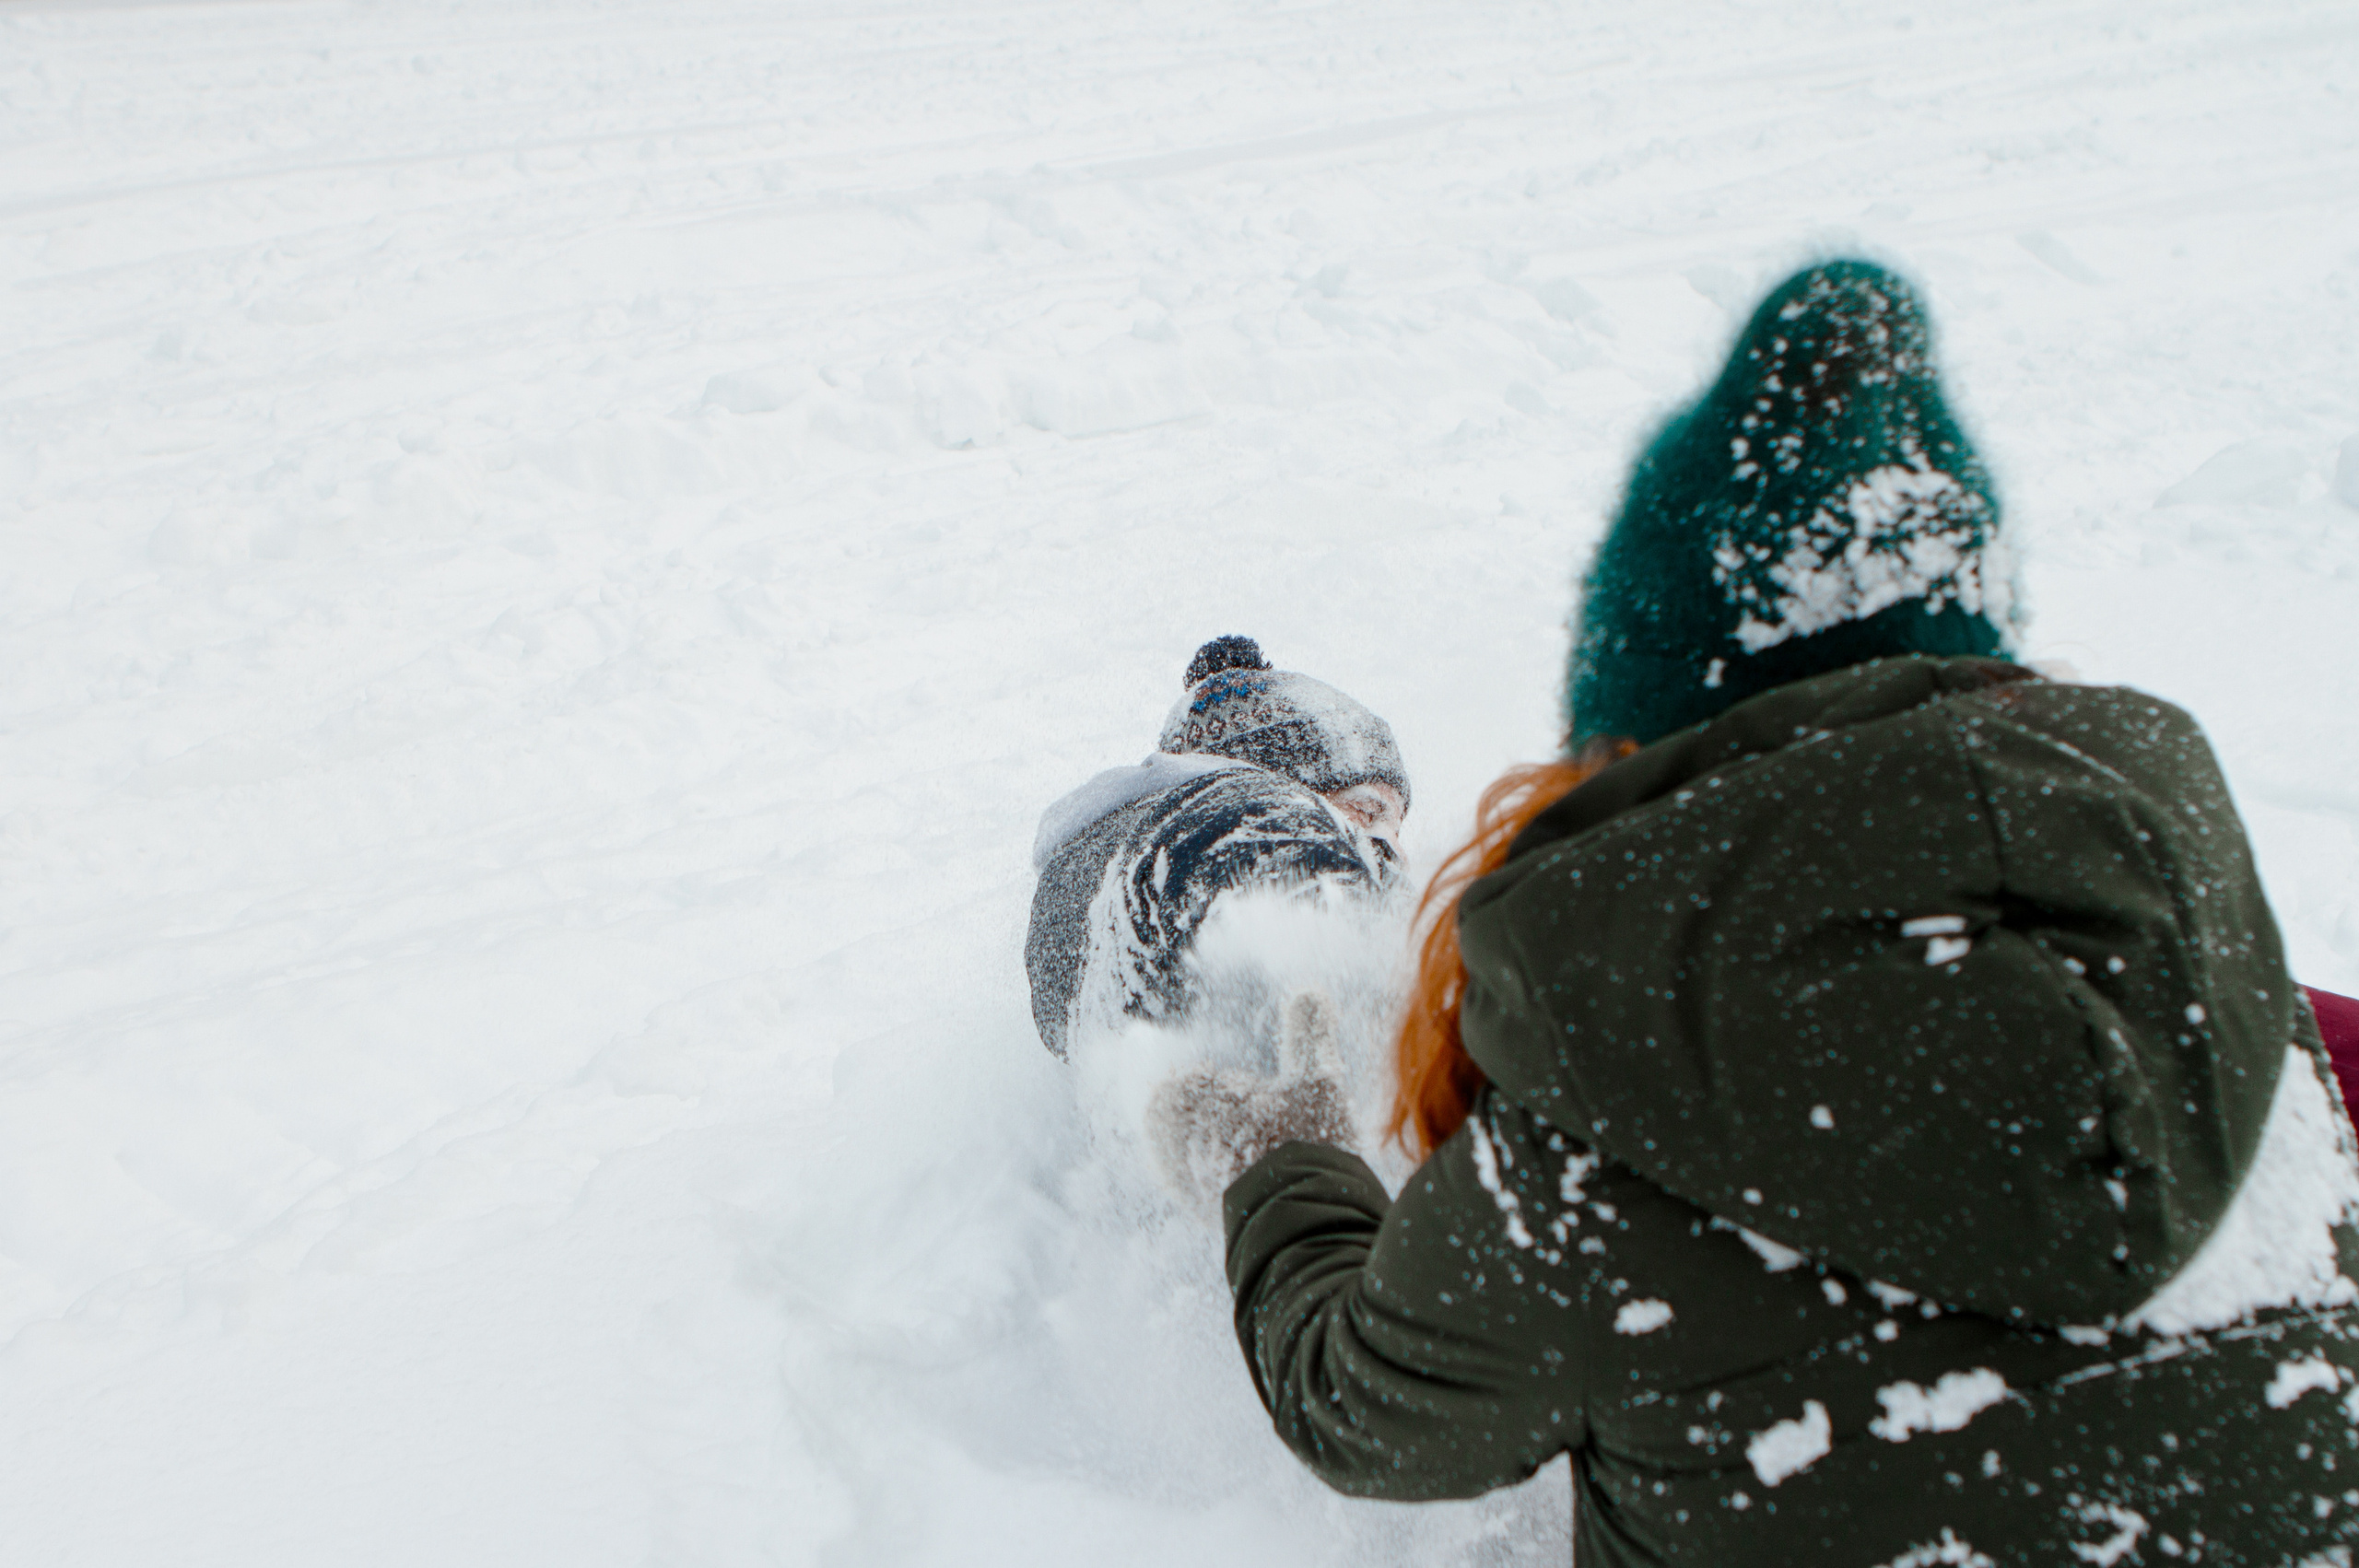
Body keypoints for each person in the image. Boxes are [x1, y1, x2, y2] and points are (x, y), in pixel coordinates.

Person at [1198, 260, 2359, 1563]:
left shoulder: (1592, 1160)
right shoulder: (2255, 1038)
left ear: (1650, 744)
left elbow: (1357, 1407)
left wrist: (1285, 1162)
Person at [1024, 636, 1410, 1063]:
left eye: (1395, 828)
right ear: (1278, 771)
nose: (1393, 849)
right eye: (1365, 811)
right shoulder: (1256, 821)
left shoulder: (1100, 873)